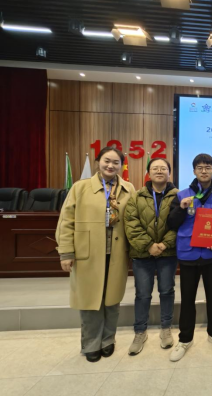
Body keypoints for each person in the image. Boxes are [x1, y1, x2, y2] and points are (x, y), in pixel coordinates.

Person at [56, 147, 136, 363]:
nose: (111, 165)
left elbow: (134, 220)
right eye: (107, 161)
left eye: (116, 162)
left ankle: (108, 340)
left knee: (112, 299)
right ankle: (91, 343)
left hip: (117, 253)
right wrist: (66, 252)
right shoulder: (80, 187)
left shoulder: (128, 188)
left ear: (121, 165)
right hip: (88, 253)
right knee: (90, 300)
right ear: (98, 161)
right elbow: (66, 221)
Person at [167, 154, 212, 362]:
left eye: (208, 167)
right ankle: (185, 339)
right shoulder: (182, 195)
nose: (204, 171)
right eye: (200, 167)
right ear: (194, 171)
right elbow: (172, 223)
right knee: (187, 299)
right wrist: (181, 208)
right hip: (189, 253)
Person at [124, 158, 179, 356]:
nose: (159, 171)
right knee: (143, 294)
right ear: (148, 172)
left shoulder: (179, 196)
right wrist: (149, 245)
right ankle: (140, 332)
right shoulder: (136, 196)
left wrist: (164, 244)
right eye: (155, 168)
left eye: (163, 168)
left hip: (168, 253)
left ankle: (166, 328)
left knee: (166, 291)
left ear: (169, 173)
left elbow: (181, 223)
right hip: (142, 254)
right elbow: (131, 223)